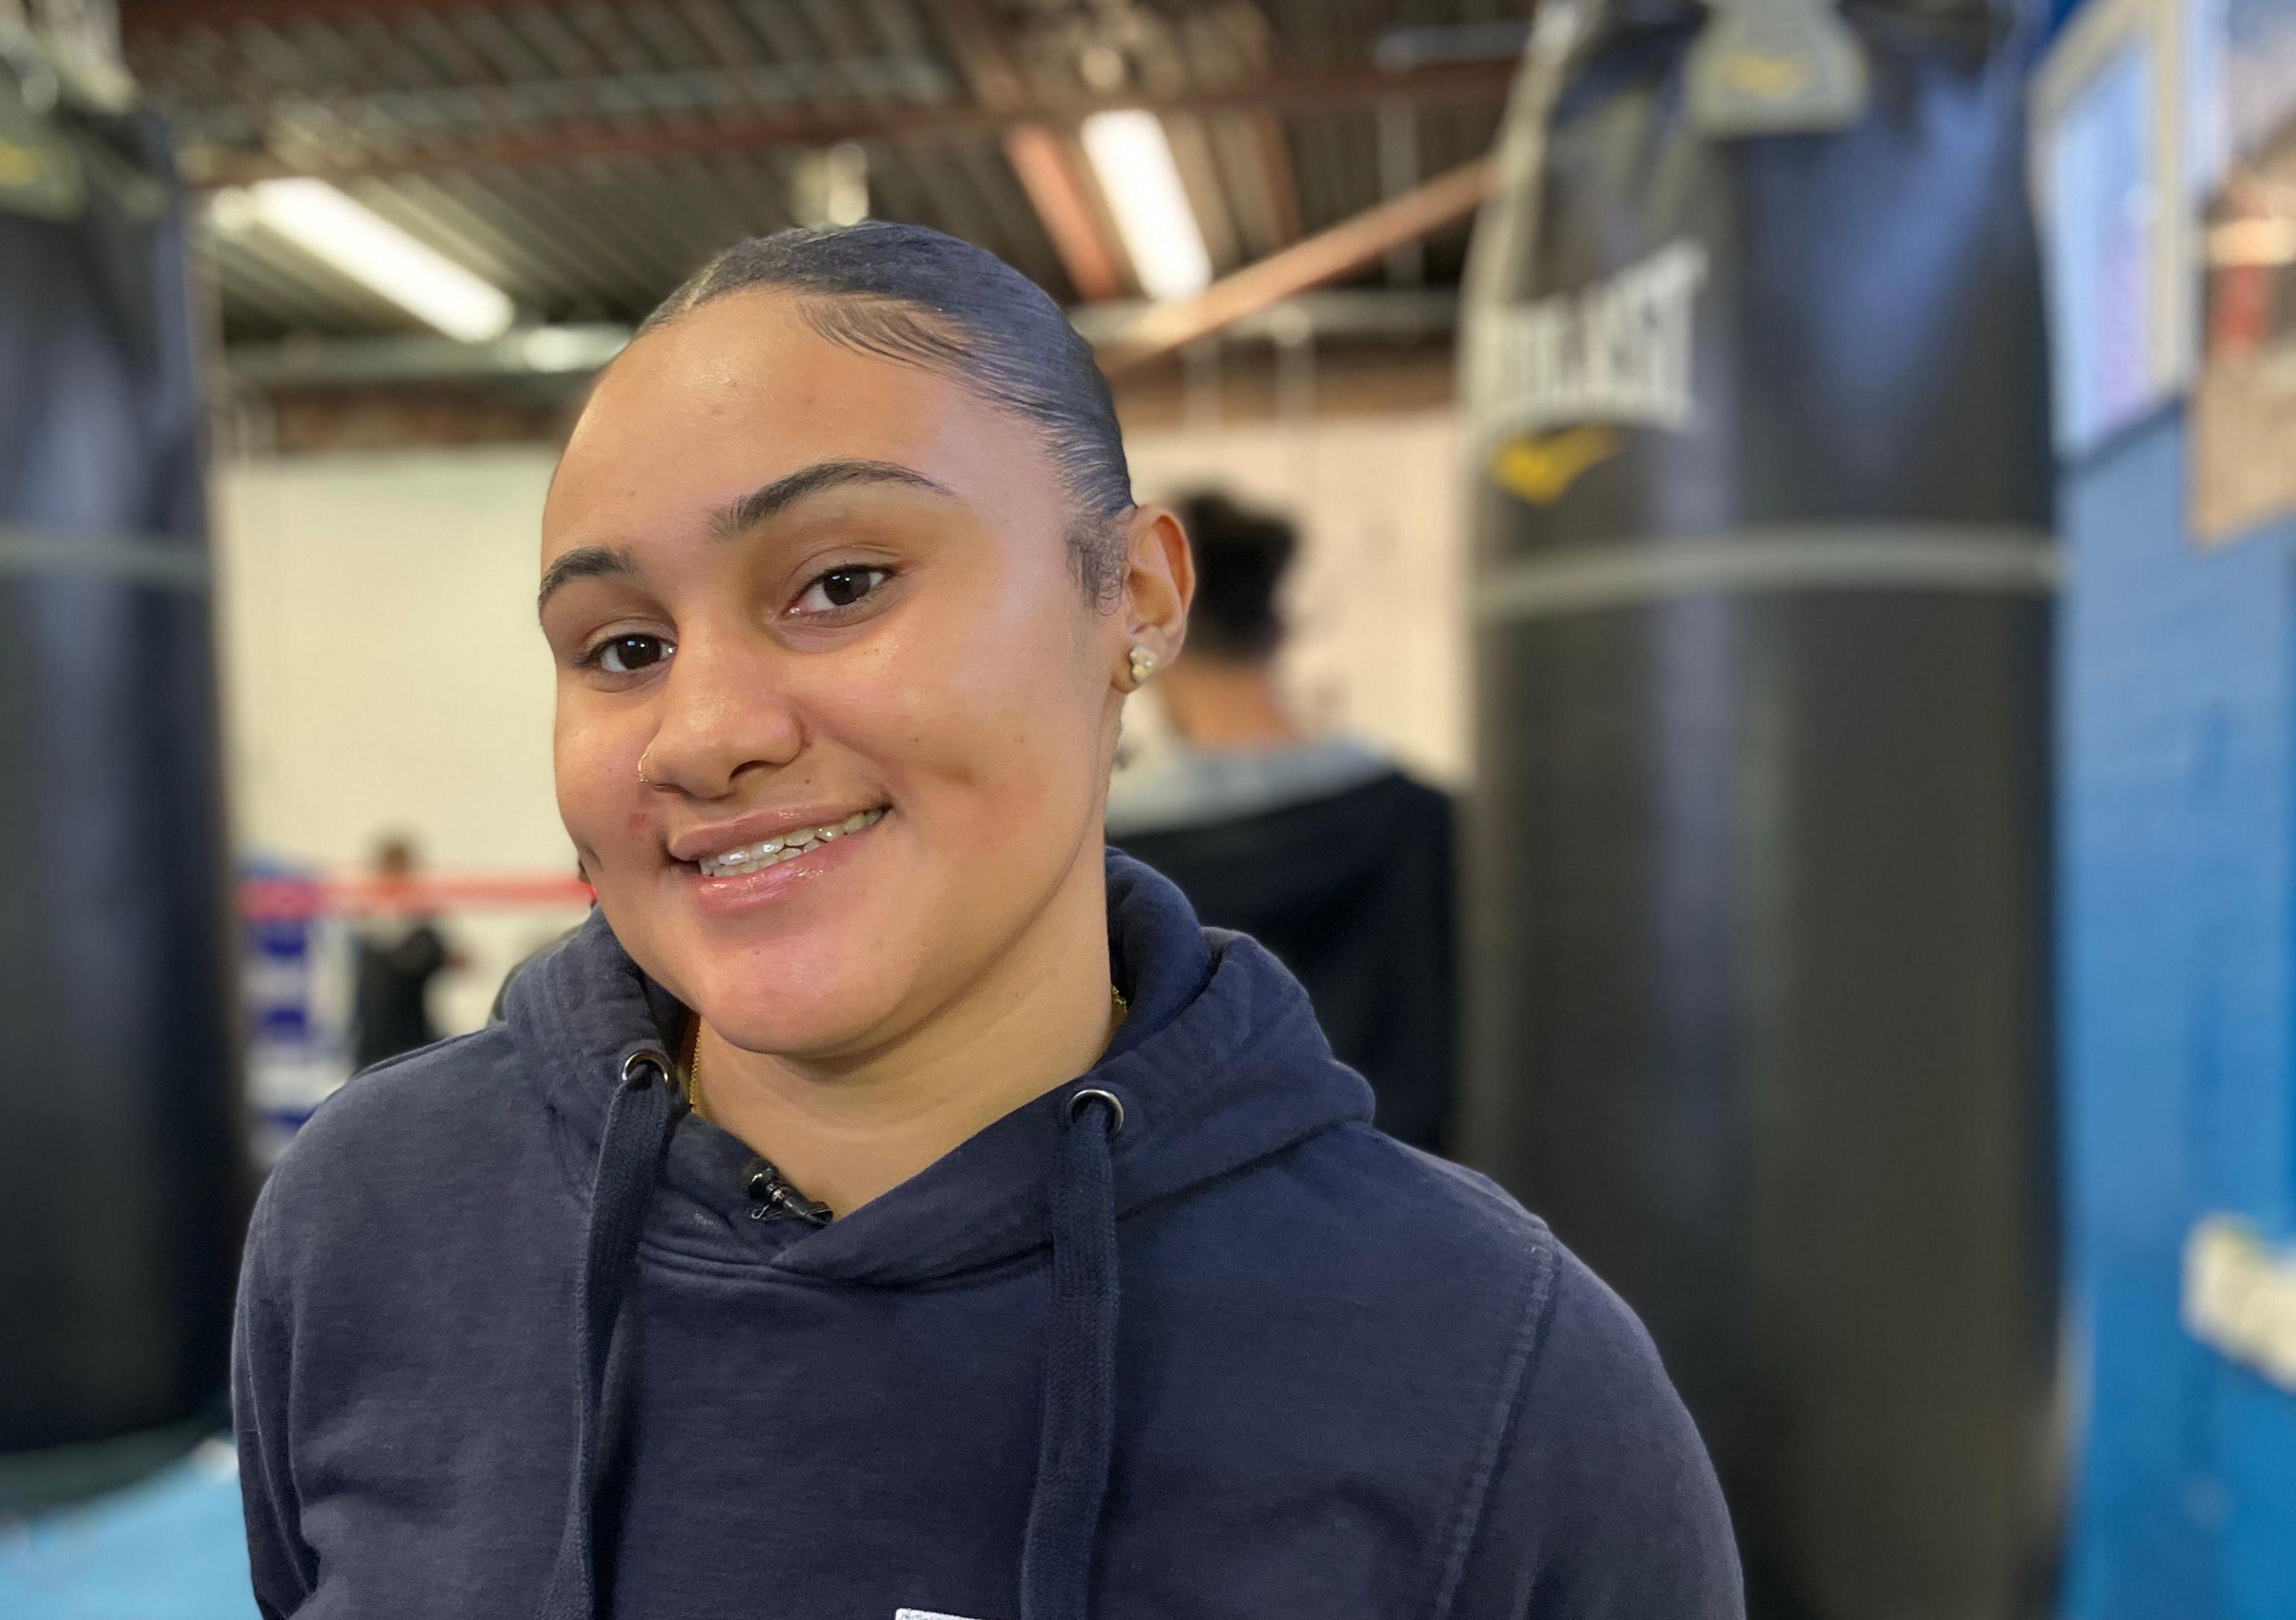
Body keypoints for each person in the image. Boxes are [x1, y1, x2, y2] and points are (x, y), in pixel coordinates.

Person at [233, 223, 1739, 1618]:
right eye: (622, 646)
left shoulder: (1493, 1372)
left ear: (1135, 598)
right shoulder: (374, 1219)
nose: (700, 732)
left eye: (839, 583)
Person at [1105, 491, 1458, 1154]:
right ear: (1280, 627)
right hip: (1413, 1208)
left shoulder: (1114, 861)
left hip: (1190, 1225)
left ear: (1154, 629)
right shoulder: (1425, 822)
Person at [347, 833, 451, 1072]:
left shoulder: (422, 926)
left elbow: (434, 959)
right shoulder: (364, 924)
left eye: (399, 872)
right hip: (372, 1044)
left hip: (412, 1042)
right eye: (388, 871)